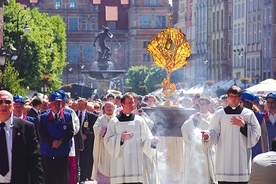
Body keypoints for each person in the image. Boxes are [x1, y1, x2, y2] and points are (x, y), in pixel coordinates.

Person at [201, 85, 261, 183]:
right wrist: (207, 135)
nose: (233, 99)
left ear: (240, 97)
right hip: (224, 156)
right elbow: (214, 132)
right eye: (231, 96)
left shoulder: (248, 114)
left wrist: (244, 126)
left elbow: (257, 133)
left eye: (236, 97)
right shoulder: (220, 114)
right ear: (228, 97)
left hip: (241, 156)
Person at [104, 93, 159, 184]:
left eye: (133, 103)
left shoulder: (139, 120)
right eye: (129, 103)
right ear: (122, 104)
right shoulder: (114, 121)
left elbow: (146, 138)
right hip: (120, 163)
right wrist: (120, 138)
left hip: (136, 162)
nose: (132, 105)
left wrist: (152, 141)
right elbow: (107, 140)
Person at [0, 90, 44, 184]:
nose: (3, 105)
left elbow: (35, 161)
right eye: (0, 102)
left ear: (13, 105)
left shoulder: (27, 128)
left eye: (7, 102)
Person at [39, 92, 74, 184]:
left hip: (62, 152)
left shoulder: (67, 115)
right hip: (48, 152)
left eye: (59, 103)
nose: (57, 105)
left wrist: (60, 142)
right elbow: (42, 133)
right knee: (48, 178)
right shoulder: (43, 117)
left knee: (62, 178)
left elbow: (70, 132)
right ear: (50, 104)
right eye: (55, 103)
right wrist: (52, 142)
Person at [181, 96, 215, 184]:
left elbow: (213, 132)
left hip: (205, 151)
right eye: (199, 104)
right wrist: (193, 120)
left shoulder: (212, 117)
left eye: (203, 104)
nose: (201, 106)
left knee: (204, 174)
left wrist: (201, 121)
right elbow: (184, 128)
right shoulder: (193, 116)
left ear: (208, 105)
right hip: (192, 150)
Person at [240, 90, 269, 158]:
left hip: (255, 153)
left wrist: (265, 154)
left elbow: (264, 137)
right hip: (244, 152)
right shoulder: (237, 115)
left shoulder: (259, 116)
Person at [92, 101, 116, 183]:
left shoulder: (118, 119)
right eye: (107, 107)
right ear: (104, 109)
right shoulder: (100, 119)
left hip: (115, 147)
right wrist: (104, 129)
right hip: (103, 148)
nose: (109, 108)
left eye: (111, 107)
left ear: (114, 108)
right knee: (103, 166)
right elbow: (95, 128)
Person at [76, 98, 98, 183]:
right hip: (76, 142)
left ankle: (82, 178)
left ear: (85, 105)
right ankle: (76, 178)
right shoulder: (73, 114)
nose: (80, 107)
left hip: (86, 142)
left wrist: (87, 135)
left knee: (84, 161)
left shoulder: (92, 116)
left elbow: (94, 130)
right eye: (79, 105)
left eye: (82, 105)